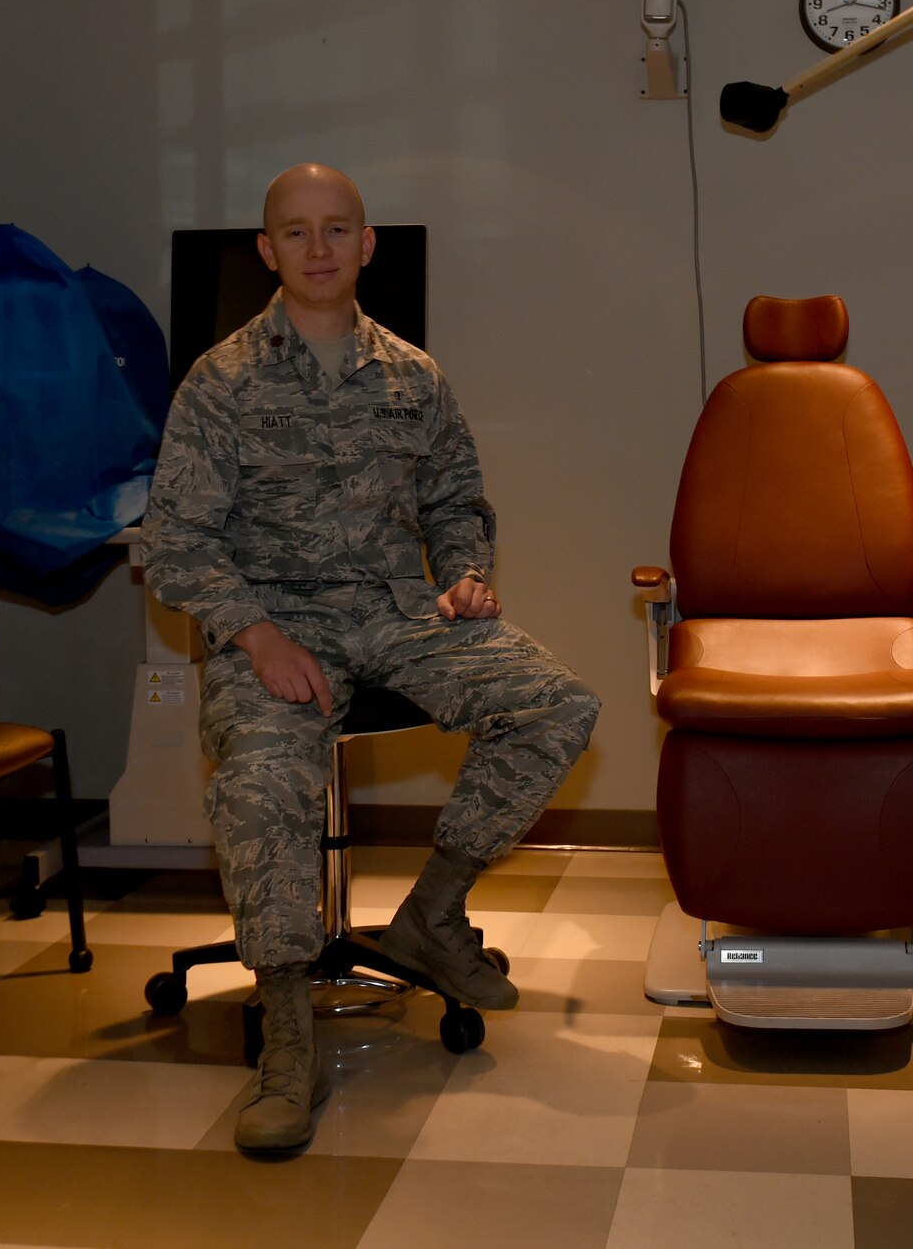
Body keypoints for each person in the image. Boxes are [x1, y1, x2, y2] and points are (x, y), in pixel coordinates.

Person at [142, 164, 600, 1152]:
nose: (318, 249)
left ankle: (433, 912)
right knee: (264, 781)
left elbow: (456, 500)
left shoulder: (412, 375)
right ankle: (287, 1041)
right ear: (266, 251)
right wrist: (256, 636)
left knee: (556, 703)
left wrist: (468, 572)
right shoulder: (220, 381)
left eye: (336, 229)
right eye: (296, 233)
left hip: (396, 610)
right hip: (271, 623)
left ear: (365, 244)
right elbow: (176, 542)